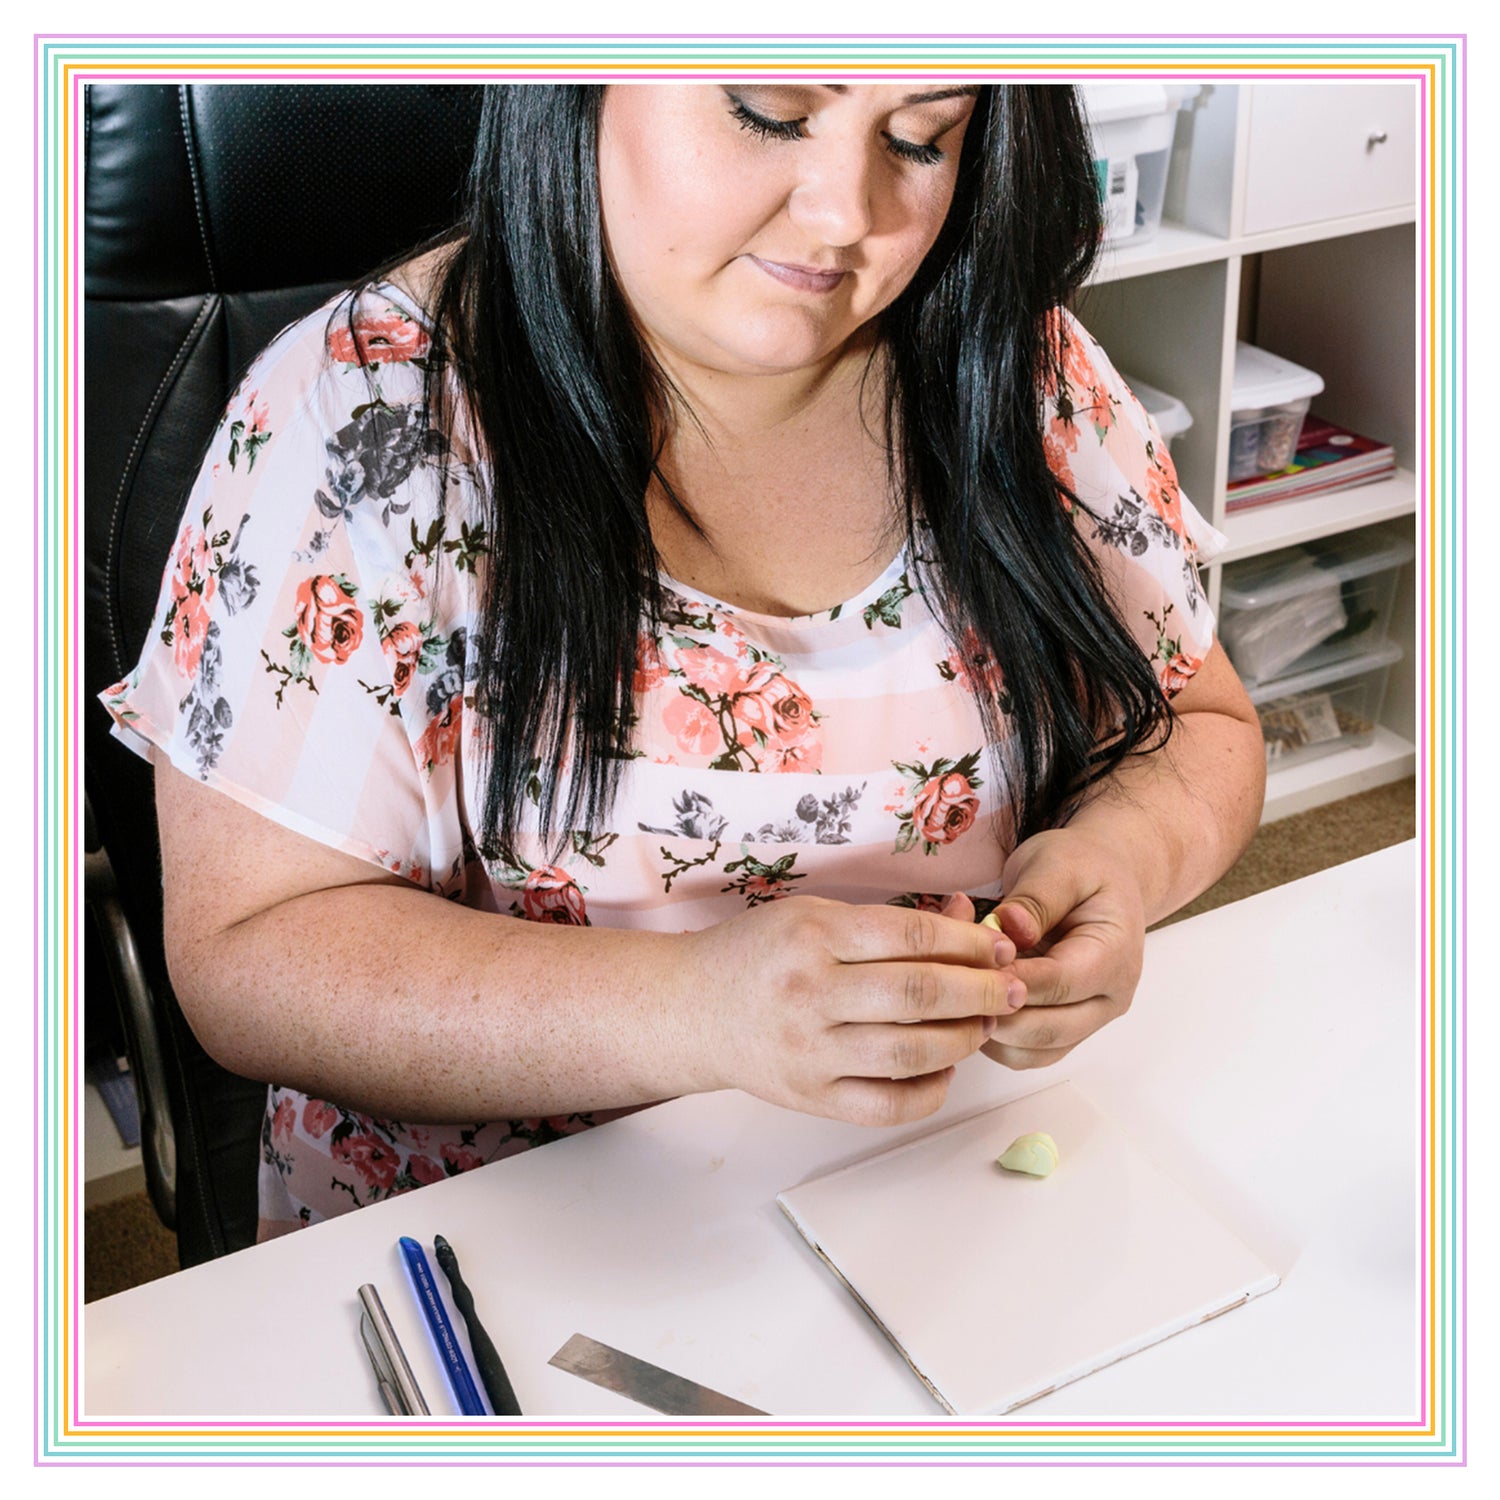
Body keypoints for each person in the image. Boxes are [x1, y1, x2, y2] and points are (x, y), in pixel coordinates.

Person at [101, 83, 1265, 1239]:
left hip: (935, 1195)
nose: (842, 214)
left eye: (921, 137)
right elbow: (249, 956)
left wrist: (1120, 859)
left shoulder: (1018, 366)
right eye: (767, 112)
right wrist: (698, 1013)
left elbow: (1198, 724)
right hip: (511, 1253)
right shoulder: (367, 418)